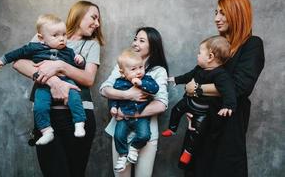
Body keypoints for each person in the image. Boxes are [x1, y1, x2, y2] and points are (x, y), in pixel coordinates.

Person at [12, 0, 105, 177]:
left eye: (98, 20)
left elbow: (88, 78)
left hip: (79, 117)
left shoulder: (92, 45)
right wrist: (54, 82)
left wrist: (60, 65)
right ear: (79, 14)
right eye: (93, 17)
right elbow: (20, 63)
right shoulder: (47, 32)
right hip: (47, 116)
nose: (97, 23)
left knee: (75, 173)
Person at [182, 0, 265, 177]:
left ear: (238, 14)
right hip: (202, 125)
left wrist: (196, 89)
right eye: (216, 12)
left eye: (223, 13)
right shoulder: (217, 45)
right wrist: (191, 110)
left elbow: (237, 88)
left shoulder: (252, 45)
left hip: (228, 129)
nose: (216, 18)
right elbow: (197, 75)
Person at [0, 14, 87, 145]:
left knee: (75, 98)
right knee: (39, 106)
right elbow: (17, 54)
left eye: (64, 35)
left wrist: (80, 60)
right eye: (56, 35)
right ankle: (46, 131)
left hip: (66, 81)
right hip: (43, 85)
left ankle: (79, 123)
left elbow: (79, 66)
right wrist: (2, 60)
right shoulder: (34, 48)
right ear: (41, 38)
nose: (62, 39)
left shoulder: (68, 51)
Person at [100, 27, 168, 177]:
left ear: (153, 46)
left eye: (141, 40)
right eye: (135, 39)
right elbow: (104, 89)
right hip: (120, 129)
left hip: (146, 132)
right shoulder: (122, 66)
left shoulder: (158, 71)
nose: (135, 43)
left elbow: (161, 104)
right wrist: (127, 95)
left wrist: (129, 114)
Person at [161, 35, 236, 165]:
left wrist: (228, 106)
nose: (197, 55)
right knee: (176, 110)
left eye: (199, 53)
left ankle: (188, 152)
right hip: (190, 101)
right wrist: (176, 79)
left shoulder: (221, 75)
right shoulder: (199, 69)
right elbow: (188, 76)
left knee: (196, 132)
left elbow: (229, 91)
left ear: (210, 57)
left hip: (203, 111)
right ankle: (172, 128)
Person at [109, 48, 159, 172]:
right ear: (122, 72)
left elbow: (155, 89)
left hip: (140, 116)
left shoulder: (147, 79)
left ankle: (134, 148)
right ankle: (123, 155)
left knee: (145, 135)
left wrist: (141, 83)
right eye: (133, 69)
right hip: (123, 117)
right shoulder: (119, 83)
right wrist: (113, 107)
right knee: (119, 135)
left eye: (141, 67)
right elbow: (113, 96)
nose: (138, 72)